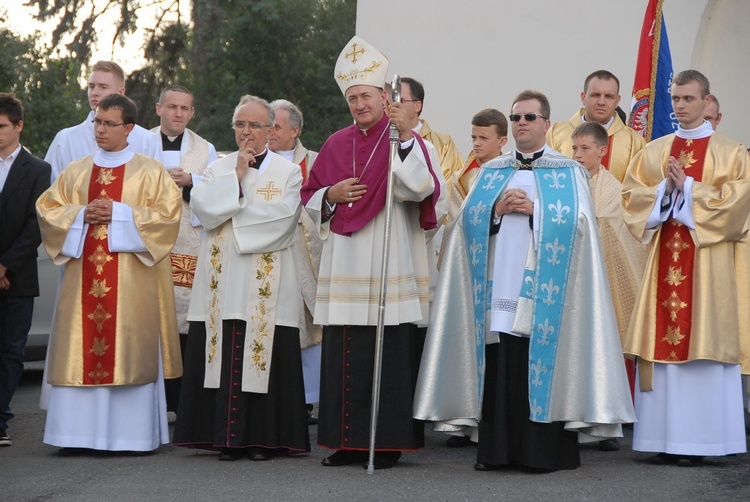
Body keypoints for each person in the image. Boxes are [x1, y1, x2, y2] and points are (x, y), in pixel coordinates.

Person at [415, 90, 634, 473]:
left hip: (546, 299)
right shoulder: (492, 171)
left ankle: (542, 454)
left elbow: (583, 226)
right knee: (500, 367)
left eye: (529, 118)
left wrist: (540, 212)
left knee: (541, 365)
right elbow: (465, 224)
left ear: (547, 124)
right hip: (498, 289)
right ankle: (496, 452)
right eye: (516, 118)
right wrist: (495, 212)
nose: (521, 124)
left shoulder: (568, 171)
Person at [301, 36, 445, 470]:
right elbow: (309, 198)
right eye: (353, 98)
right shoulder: (334, 143)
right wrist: (331, 193)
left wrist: (403, 138)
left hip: (389, 259)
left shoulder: (409, 140)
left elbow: (420, 188)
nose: (359, 104)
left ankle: (386, 444)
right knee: (346, 354)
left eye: (366, 95)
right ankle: (345, 442)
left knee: (388, 354)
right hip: (346, 261)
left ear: (386, 97)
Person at [36, 94, 182, 454]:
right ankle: (73, 437)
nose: (99, 130)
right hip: (82, 282)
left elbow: (167, 219)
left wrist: (118, 214)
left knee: (127, 351)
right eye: (96, 123)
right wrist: (79, 215)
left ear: (129, 127)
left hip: (131, 289)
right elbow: (47, 209)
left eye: (108, 124)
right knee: (79, 349)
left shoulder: (150, 171)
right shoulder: (77, 170)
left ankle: (130, 438)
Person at [622, 70, 750, 465]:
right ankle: (663, 438)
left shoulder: (732, 152)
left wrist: (690, 188)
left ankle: (702, 442)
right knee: (665, 343)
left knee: (704, 347)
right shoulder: (656, 150)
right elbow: (630, 196)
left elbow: (738, 206)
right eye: (676, 98)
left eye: (689, 99)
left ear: (707, 101)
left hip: (708, 271)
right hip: (665, 262)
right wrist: (664, 190)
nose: (680, 106)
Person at [172, 95, 310, 462]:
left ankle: (264, 439)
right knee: (223, 354)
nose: (247, 132)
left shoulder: (288, 172)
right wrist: (234, 179)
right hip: (221, 282)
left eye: (255, 125)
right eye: (240, 125)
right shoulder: (217, 168)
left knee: (262, 356)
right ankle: (224, 438)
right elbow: (202, 208)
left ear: (271, 131)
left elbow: (282, 222)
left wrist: (230, 209)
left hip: (267, 285)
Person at [571, 122, 647, 451]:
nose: (578, 154)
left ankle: (605, 424)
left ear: (603, 151)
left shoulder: (614, 191)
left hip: (606, 282)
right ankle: (571, 420)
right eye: (574, 148)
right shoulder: (566, 185)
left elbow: (622, 238)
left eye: (585, 148)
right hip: (571, 282)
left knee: (605, 351)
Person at [150, 85, 218, 414]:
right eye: (172, 106)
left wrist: (191, 181)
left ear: (192, 113)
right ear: (158, 108)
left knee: (184, 320)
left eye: (185, 108)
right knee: (149, 319)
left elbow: (219, 194)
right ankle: (150, 399)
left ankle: (181, 401)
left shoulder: (206, 150)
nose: (178, 113)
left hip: (188, 241)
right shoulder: (139, 143)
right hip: (146, 244)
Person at [0, 94, 51, 447]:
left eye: (1, 126)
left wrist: (4, 266)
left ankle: (0, 418)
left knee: (10, 351)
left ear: (18, 126)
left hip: (17, 277)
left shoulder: (38, 170)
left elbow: (36, 226)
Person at [268, 98, 322, 425]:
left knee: (310, 321)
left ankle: (309, 398)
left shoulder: (314, 161)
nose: (269, 132)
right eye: (267, 125)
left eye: (276, 126)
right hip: (270, 252)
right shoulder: (255, 163)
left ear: (295, 130)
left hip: (306, 250)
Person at [45, 60, 163, 181]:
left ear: (121, 93)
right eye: (91, 86)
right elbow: (50, 189)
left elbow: (156, 189)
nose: (95, 93)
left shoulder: (146, 141)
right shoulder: (65, 140)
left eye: (103, 87)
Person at [547, 70, 645, 182]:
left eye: (609, 96)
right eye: (595, 95)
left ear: (617, 101)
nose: (601, 102)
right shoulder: (555, 134)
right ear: (583, 97)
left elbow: (636, 189)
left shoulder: (634, 142)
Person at [400, 77, 464, 183]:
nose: (393, 105)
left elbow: (450, 184)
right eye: (390, 100)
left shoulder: (443, 143)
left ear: (417, 106)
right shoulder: (380, 140)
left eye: (400, 100)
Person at [452, 109, 508, 201]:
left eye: (483, 138)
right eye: (474, 137)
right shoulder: (459, 180)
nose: (476, 143)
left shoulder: (514, 174)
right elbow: (456, 214)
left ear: (502, 141)